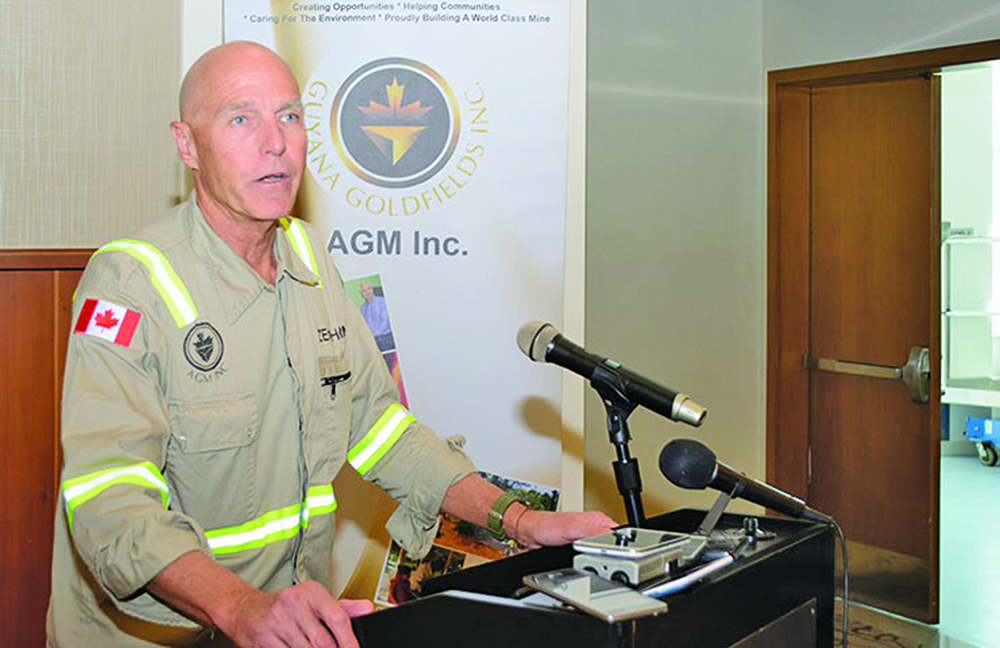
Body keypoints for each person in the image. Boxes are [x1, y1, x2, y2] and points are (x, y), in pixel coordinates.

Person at [46, 41, 616, 648]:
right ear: (187, 145)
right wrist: (241, 607)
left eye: (289, 116)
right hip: (159, 635)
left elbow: (381, 430)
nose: (275, 142)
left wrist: (520, 520)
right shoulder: (129, 284)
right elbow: (109, 499)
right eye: (241, 118)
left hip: (290, 628)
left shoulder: (310, 255)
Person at [358, 280, 394, 352]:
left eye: (369, 288)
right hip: (372, 341)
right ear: (361, 294)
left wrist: (373, 335)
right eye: (364, 291)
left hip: (384, 338)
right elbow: (363, 325)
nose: (367, 292)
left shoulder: (382, 301)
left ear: (372, 289)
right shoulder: (363, 308)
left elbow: (385, 321)